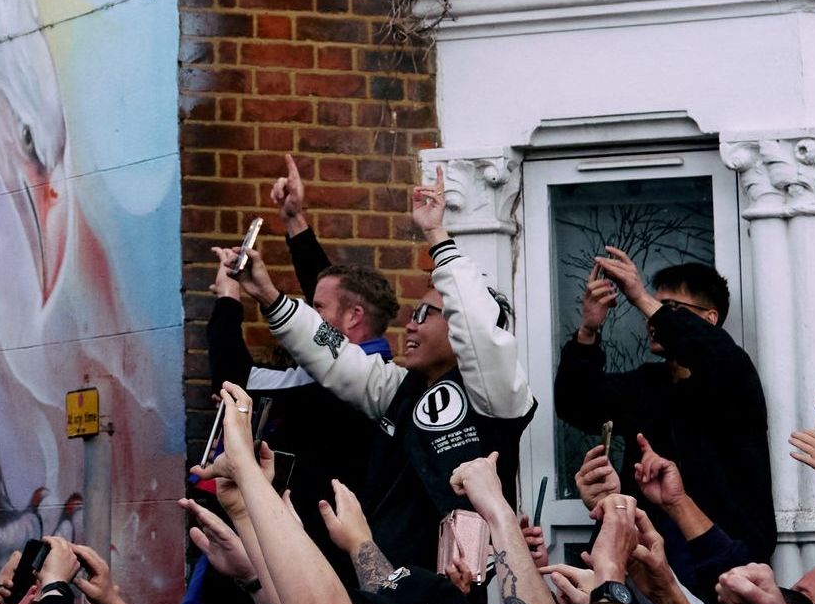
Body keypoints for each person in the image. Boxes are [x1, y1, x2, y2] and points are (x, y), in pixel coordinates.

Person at [243, 171, 535, 544]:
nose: (409, 327)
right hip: (386, 579)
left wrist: (436, 235)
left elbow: (478, 324)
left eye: (423, 315)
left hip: (454, 587)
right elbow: (333, 355)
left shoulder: (497, 395)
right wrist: (270, 297)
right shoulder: (398, 388)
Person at [560, 250, 775, 554]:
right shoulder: (647, 384)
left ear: (709, 318)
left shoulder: (732, 374)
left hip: (724, 557)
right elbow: (577, 403)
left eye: (670, 308)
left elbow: (715, 353)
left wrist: (640, 297)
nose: (652, 319)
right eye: (654, 308)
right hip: (647, 556)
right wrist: (588, 330)